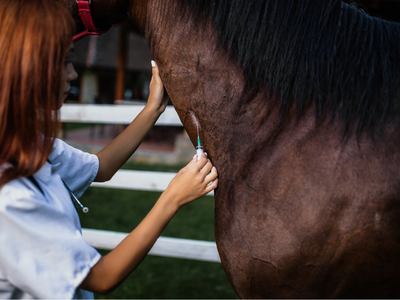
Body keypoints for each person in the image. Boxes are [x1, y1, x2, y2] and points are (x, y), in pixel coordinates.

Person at [0, 0, 218, 298]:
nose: (73, 75)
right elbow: (100, 277)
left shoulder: (29, 143)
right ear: (26, 70)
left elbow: (100, 167)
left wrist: (152, 108)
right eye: (63, 62)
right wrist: (173, 198)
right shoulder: (10, 199)